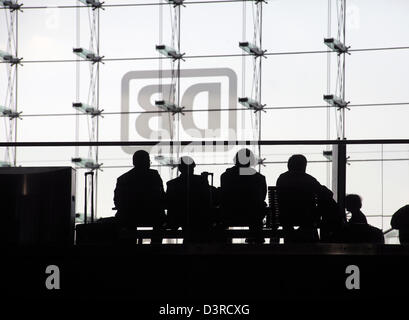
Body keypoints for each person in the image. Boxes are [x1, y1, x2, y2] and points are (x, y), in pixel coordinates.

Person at [114, 150, 166, 243]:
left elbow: (117, 200)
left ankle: (130, 247)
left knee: (126, 225)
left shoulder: (123, 178)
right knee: (160, 222)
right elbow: (162, 196)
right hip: (153, 215)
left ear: (134, 162)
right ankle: (155, 247)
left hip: (130, 216)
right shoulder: (154, 176)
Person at [220, 149, 267, 244]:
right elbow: (262, 197)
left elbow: (224, 196)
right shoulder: (259, 178)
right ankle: (256, 240)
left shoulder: (225, 176)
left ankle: (224, 243)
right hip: (253, 216)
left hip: (230, 214)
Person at [276, 154, 323, 243]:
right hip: (307, 217)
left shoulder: (282, 178)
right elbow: (326, 193)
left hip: (286, 217)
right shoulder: (308, 179)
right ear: (303, 166)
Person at [165, 156, 212, 243]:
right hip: (198, 217)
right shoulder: (201, 181)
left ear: (180, 169)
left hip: (178, 218)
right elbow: (207, 201)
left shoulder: (171, 184)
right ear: (192, 167)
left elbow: (168, 203)